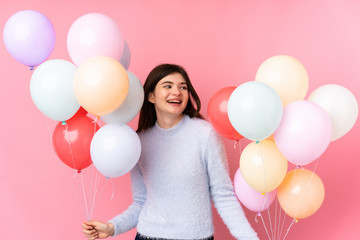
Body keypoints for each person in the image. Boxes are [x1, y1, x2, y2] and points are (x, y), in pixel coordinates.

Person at [82, 64, 259, 240]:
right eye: (168, 86)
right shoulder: (138, 142)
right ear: (151, 96)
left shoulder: (205, 135)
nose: (177, 92)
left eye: (183, 87)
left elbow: (223, 196)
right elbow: (141, 202)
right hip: (148, 236)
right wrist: (112, 227)